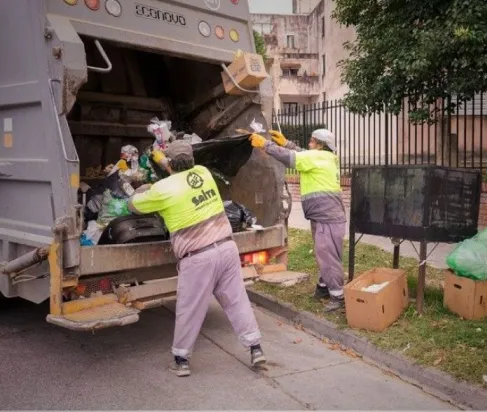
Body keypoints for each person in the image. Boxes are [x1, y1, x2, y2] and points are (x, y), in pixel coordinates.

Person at [128, 140, 266, 377]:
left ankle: (181, 360)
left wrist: (142, 190)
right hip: (226, 248)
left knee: (189, 308)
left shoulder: (163, 189)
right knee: (236, 300)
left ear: (171, 163)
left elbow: (134, 207)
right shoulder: (203, 173)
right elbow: (180, 176)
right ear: (192, 160)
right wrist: (163, 160)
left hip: (198, 257)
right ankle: (255, 348)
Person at [249, 129, 347, 312]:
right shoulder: (325, 157)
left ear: (320, 144)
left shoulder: (319, 158)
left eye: (311, 140)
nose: (309, 143)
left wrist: (265, 144)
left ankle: (338, 297)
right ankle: (324, 288)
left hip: (327, 216)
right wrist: (287, 143)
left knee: (328, 254)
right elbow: (301, 154)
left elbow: (290, 158)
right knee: (325, 253)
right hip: (324, 215)